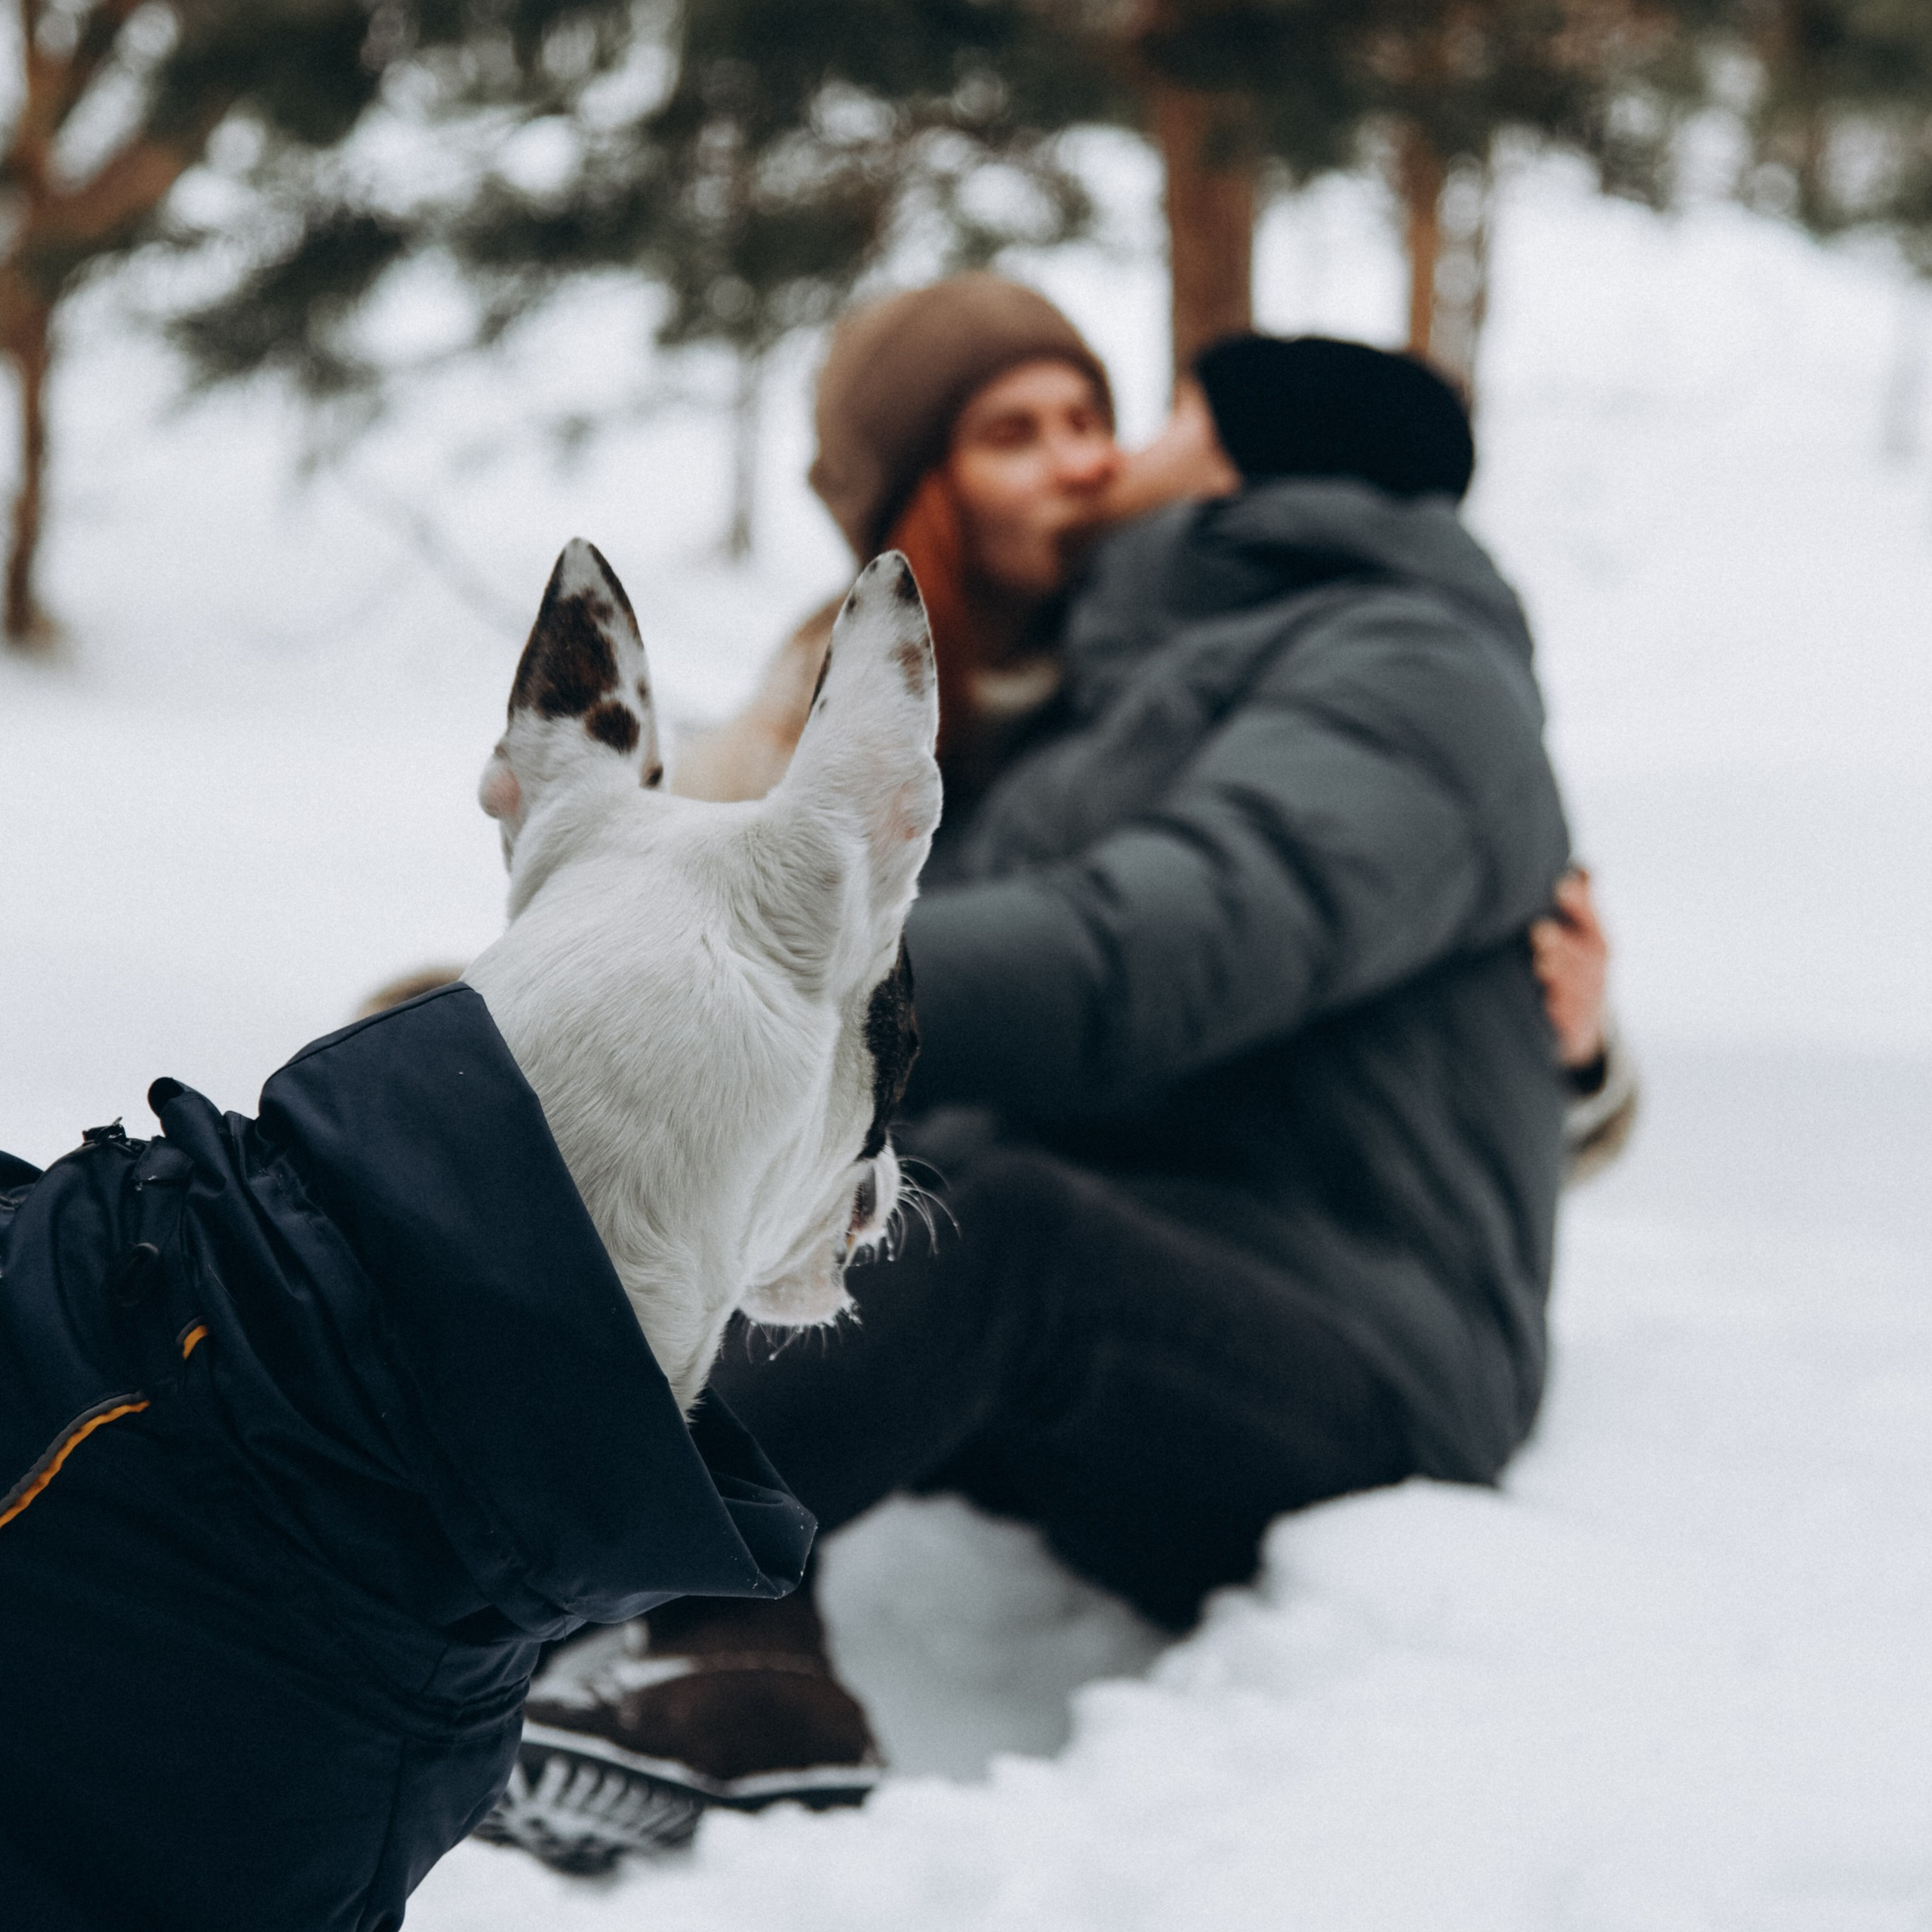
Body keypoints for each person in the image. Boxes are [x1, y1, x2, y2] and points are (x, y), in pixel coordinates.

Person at [477, 279, 1636, 1870]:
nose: (1106, 457)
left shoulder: (1410, 673)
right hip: (1187, 1260)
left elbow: (1168, 942)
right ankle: (706, 1640)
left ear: (1245, 466)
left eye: (1154, 417)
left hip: (1358, 1332)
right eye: (1027, 431)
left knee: (990, 1225)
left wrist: (761, 964)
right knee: (832, 1193)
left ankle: (527, 1596)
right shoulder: (1140, 680)